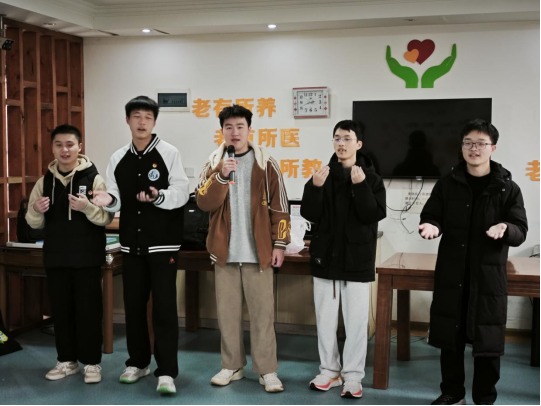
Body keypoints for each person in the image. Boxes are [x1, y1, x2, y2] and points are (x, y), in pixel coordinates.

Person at [420, 119, 528, 406]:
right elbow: (432, 214)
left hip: (488, 277)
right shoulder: (447, 184)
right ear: (462, 147)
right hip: (452, 273)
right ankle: (453, 394)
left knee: (488, 341)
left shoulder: (507, 188)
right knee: (450, 338)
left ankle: (484, 398)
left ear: (493, 148)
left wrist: (506, 228)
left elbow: (520, 229)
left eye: (481, 143)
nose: (474, 149)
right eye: (468, 143)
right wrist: (431, 225)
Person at [93, 96, 190, 395]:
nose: (142, 122)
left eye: (148, 117)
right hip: (131, 246)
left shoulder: (169, 152)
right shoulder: (118, 157)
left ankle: (167, 371)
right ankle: (137, 362)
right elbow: (114, 196)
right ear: (128, 120)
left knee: (164, 309)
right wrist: (108, 200)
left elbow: (182, 192)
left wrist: (158, 196)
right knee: (134, 307)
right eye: (136, 116)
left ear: (154, 122)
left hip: (163, 245)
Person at [196, 104, 291, 393]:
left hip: (258, 253)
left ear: (249, 129)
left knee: (263, 316)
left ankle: (267, 370)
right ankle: (232, 366)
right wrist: (221, 176)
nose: (234, 132)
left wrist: (279, 244)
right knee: (227, 315)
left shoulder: (266, 162)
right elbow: (203, 202)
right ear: (222, 131)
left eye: (240, 126)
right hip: (224, 253)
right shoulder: (214, 161)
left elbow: (281, 206)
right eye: (229, 127)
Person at [301, 120, 386, 399]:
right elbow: (309, 214)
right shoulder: (322, 175)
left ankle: (353, 376)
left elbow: (372, 214)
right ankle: (329, 371)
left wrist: (360, 186)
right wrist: (315, 187)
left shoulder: (371, 179)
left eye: (347, 138)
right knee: (325, 320)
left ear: (358, 144)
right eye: (337, 138)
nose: (341, 143)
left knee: (356, 323)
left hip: (356, 260)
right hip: (325, 258)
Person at [26, 124, 114, 384]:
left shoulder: (93, 178)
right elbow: (33, 223)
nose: (65, 150)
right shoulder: (44, 182)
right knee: (61, 312)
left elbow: (105, 218)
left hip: (87, 258)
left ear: (79, 147)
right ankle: (66, 361)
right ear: (52, 148)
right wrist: (36, 210)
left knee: (89, 312)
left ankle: (92, 364)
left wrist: (86, 207)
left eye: (70, 144)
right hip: (56, 257)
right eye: (59, 145)